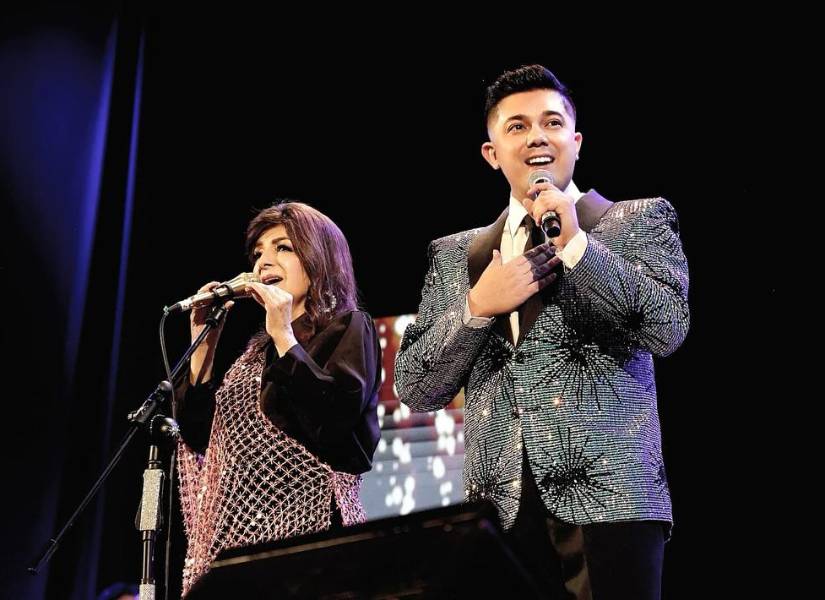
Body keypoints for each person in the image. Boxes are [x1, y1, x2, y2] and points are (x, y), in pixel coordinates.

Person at [394, 65, 689, 599]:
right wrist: (477, 306)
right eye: (517, 126)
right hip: (498, 510)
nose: (536, 136)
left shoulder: (636, 219)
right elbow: (416, 387)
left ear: (574, 142)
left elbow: (667, 328)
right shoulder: (456, 255)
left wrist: (577, 247)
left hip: (611, 503)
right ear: (492, 151)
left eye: (551, 123)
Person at [175, 201, 381, 595]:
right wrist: (203, 342)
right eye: (257, 253)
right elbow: (199, 436)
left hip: (312, 539)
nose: (263, 262)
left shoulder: (348, 326)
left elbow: (336, 415)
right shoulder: (255, 352)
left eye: (282, 247)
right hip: (240, 542)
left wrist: (285, 337)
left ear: (319, 259)